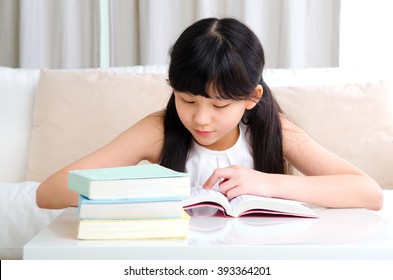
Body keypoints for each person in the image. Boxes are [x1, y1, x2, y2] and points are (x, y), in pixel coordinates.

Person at [36, 17, 383, 210]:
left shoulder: (268, 127)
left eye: (219, 106)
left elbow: (367, 193)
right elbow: (48, 193)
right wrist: (147, 189)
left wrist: (266, 184)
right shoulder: (157, 131)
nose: (201, 119)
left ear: (251, 97)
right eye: (186, 100)